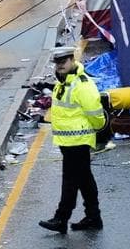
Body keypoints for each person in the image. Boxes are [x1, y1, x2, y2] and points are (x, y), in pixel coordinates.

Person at [39, 46, 107, 234]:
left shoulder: (81, 84)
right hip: (67, 141)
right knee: (84, 179)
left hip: (78, 140)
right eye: (57, 63)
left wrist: (98, 129)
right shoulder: (63, 82)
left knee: (70, 181)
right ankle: (94, 217)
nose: (60, 66)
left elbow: (95, 112)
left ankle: (61, 218)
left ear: (72, 60)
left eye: (63, 62)